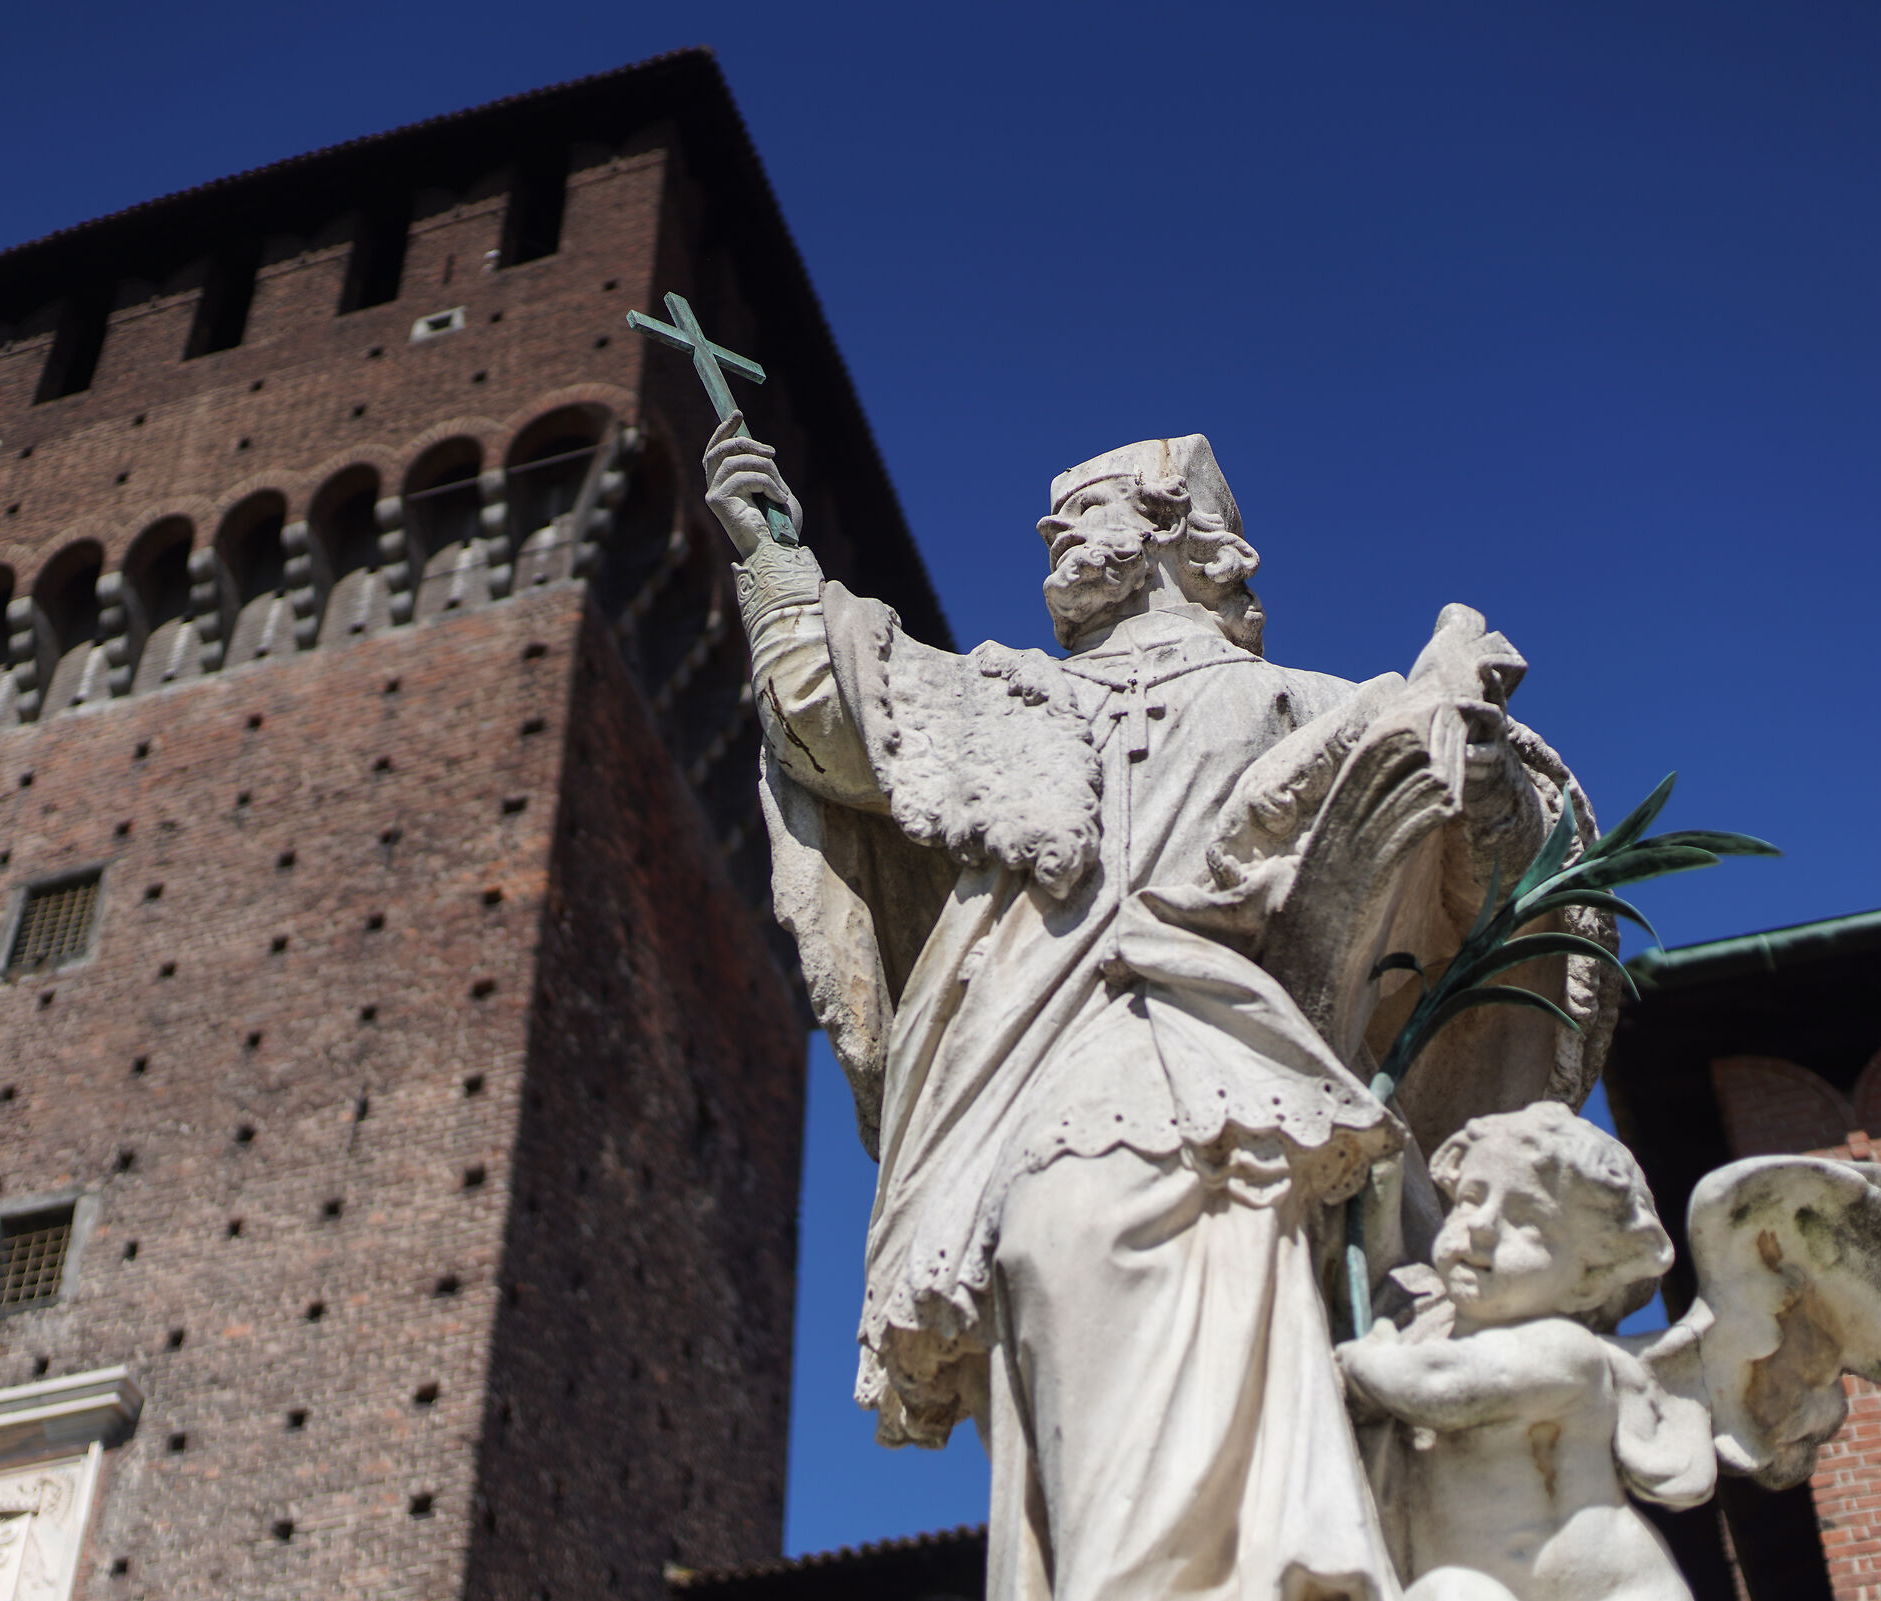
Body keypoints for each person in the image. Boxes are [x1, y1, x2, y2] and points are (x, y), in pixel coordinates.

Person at [709, 417, 1619, 1601]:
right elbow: (834, 712)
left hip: (1243, 1054)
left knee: (1201, 1269)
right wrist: (770, 549)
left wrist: (1481, 777)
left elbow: (1495, 875)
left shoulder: (1303, 699)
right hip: (1035, 1058)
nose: (1053, 535)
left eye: (1083, 508)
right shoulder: (1002, 693)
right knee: (1050, 1252)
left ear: (1177, 537)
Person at [1336, 1102, 1707, 1601]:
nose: (1482, 1227)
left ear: (1587, 1280)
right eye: (1470, 1198)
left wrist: (1367, 1359)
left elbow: (1442, 1389)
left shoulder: (1564, 1350)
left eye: (1526, 1221)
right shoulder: (1427, 1324)